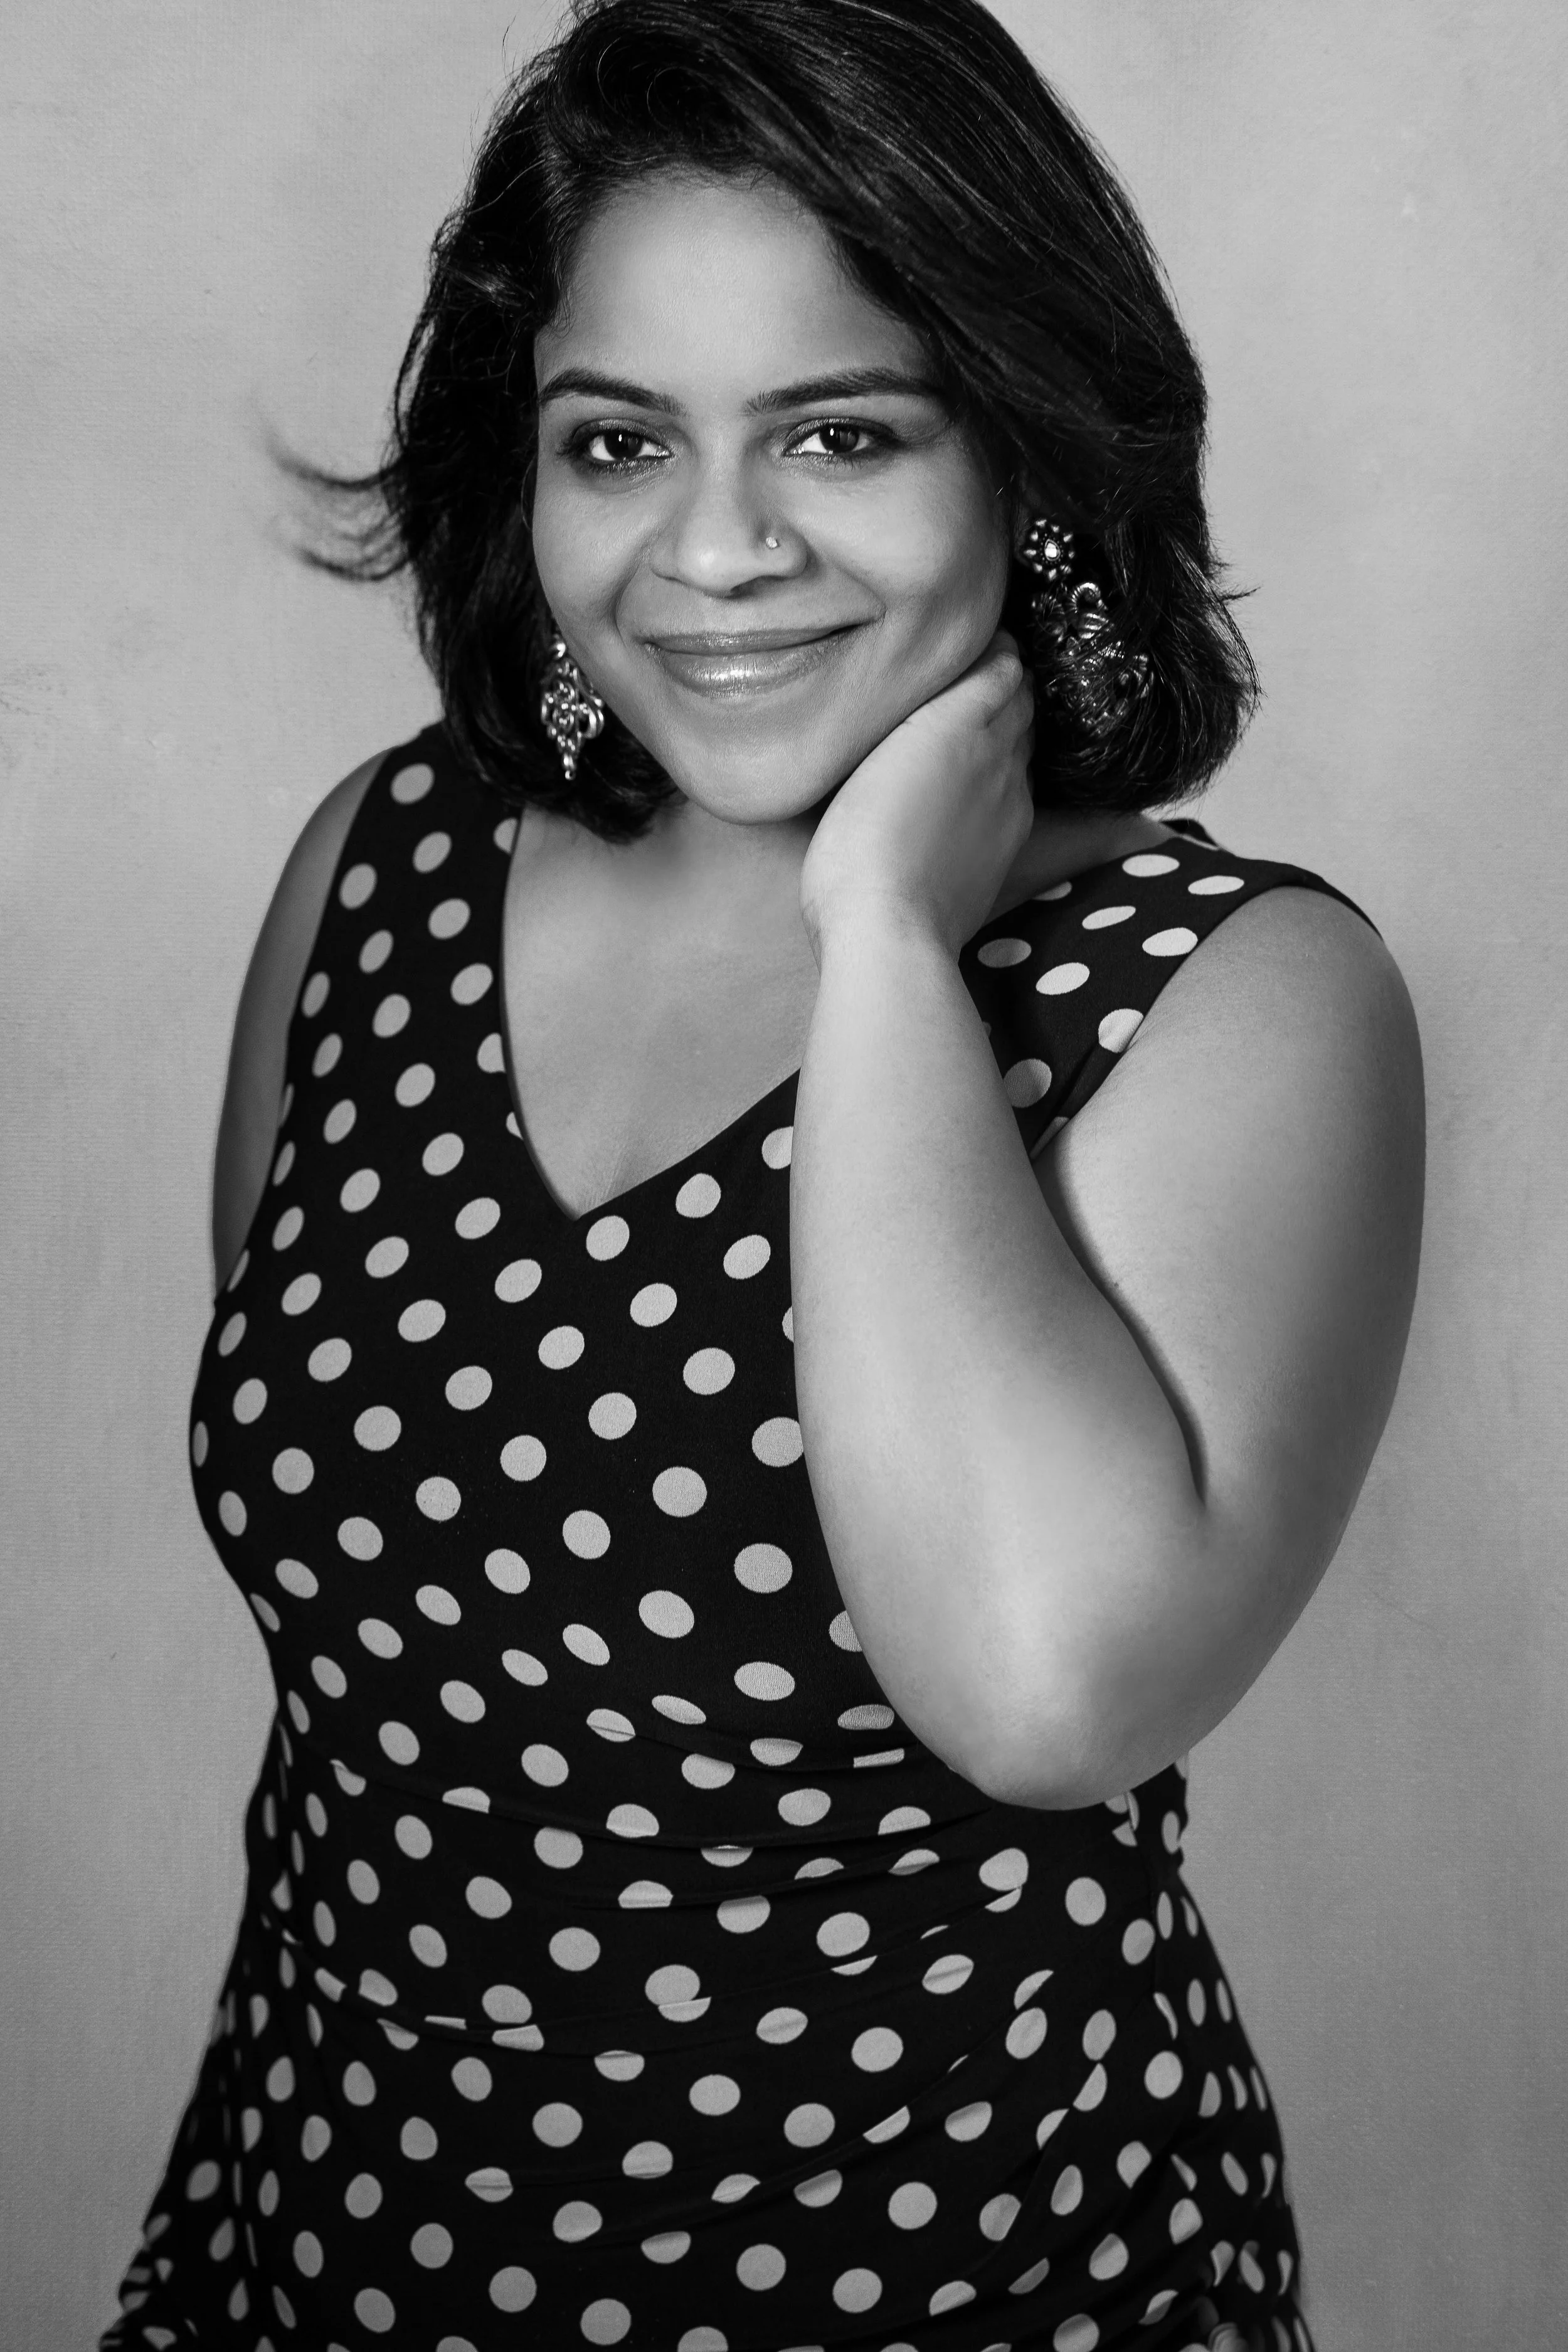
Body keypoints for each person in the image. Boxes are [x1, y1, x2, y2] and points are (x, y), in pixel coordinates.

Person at [100, 1, 1424, 2346]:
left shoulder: (1235, 996)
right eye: (621, 439)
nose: (712, 549)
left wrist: (888, 941)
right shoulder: (387, 865)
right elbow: (395, 1587)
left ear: (1017, 453)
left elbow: (1045, 1691)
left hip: (950, 2282)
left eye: (837, 429)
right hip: (322, 2234)